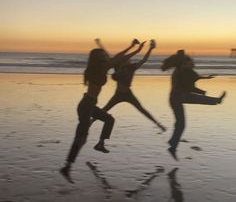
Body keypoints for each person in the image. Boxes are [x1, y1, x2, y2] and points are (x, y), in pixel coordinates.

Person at [60, 39, 144, 183]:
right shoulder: (100, 68)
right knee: (81, 138)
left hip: (89, 104)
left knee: (109, 120)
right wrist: (136, 50)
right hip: (86, 105)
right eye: (103, 54)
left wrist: (132, 46)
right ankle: (66, 167)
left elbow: (117, 58)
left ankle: (100, 144)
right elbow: (121, 58)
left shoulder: (99, 66)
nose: (106, 55)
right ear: (99, 58)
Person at [161, 50, 226, 160]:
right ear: (184, 64)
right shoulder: (178, 73)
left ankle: (172, 144)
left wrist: (205, 78)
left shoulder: (185, 72)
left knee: (180, 123)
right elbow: (186, 84)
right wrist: (199, 90)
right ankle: (172, 146)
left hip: (180, 97)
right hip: (176, 99)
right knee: (181, 123)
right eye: (190, 63)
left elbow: (193, 77)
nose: (193, 64)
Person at [94, 39, 166, 132]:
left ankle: (158, 124)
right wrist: (99, 44)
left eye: (128, 59)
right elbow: (109, 56)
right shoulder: (117, 66)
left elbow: (144, 60)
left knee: (141, 109)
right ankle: (91, 121)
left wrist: (150, 49)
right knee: (106, 109)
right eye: (126, 58)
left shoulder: (132, 67)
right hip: (118, 94)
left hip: (128, 94)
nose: (128, 59)